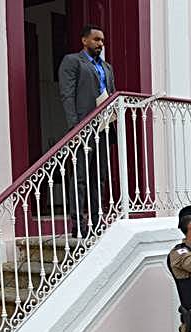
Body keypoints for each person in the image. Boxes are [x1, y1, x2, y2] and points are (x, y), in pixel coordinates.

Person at [58, 24, 116, 237]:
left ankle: (96, 219)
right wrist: (75, 127)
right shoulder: (73, 61)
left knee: (99, 177)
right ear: (84, 41)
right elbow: (67, 94)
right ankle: (78, 224)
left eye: (102, 40)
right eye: (96, 39)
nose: (100, 44)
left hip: (103, 127)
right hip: (83, 127)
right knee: (80, 177)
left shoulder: (107, 67)